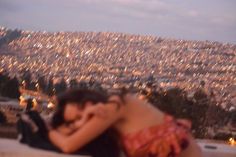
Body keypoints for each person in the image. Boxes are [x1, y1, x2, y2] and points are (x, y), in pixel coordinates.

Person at [49, 88, 203, 157]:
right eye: (76, 119)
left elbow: (67, 145)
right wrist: (82, 120)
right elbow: (64, 133)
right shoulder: (110, 123)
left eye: (82, 107)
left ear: (87, 97)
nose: (84, 115)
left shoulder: (114, 106)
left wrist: (44, 129)